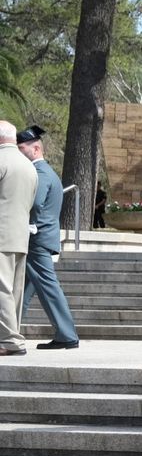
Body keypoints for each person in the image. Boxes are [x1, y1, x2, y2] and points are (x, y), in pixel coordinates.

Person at [16, 126, 79, 350]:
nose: (17, 151)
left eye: (21, 148)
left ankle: (67, 333)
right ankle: (9, 330)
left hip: (36, 239)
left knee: (48, 287)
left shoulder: (40, 173)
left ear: (35, 148)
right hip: (42, 238)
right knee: (22, 289)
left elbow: (35, 203)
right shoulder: (46, 171)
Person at [0, 121, 39, 356]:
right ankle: (9, 337)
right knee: (14, 291)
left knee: (2, 289)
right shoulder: (29, 166)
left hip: (1, 234)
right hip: (19, 235)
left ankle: (10, 341)